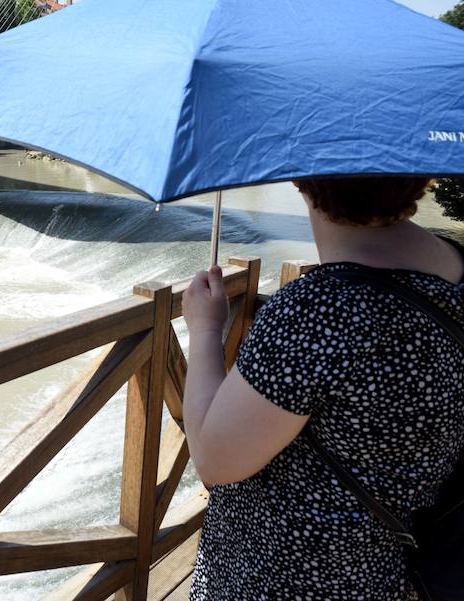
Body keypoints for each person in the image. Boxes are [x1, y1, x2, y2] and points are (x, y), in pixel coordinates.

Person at [182, 177, 464, 600]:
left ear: (300, 178)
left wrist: (204, 328)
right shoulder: (455, 266)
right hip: (389, 570)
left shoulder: (317, 311)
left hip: (285, 575)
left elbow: (213, 458)